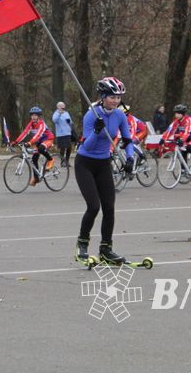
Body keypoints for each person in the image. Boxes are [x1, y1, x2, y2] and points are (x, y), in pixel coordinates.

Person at [75, 77, 134, 265]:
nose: (116, 101)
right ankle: (82, 246)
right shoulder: (91, 115)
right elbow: (88, 145)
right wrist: (97, 131)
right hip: (85, 163)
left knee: (109, 208)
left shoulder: (120, 116)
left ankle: (106, 249)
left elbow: (128, 140)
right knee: (94, 206)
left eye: (118, 97)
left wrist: (130, 158)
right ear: (102, 96)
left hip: (103, 163)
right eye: (112, 97)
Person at [12, 106, 56, 186]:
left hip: (48, 139)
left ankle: (51, 160)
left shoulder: (41, 124)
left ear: (39, 116)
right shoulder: (31, 124)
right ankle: (36, 178)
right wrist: (16, 141)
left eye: (35, 115)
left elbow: (38, 135)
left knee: (41, 149)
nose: (33, 117)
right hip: (39, 141)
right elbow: (24, 132)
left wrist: (30, 143)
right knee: (34, 158)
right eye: (32, 115)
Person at [52, 102, 74, 167]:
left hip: (68, 133)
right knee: (62, 148)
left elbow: (71, 122)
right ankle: (62, 162)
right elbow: (54, 120)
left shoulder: (66, 113)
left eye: (63, 106)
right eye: (61, 106)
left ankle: (67, 161)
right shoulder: (56, 113)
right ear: (58, 107)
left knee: (69, 148)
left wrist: (69, 121)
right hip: (61, 134)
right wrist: (59, 114)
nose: (63, 108)